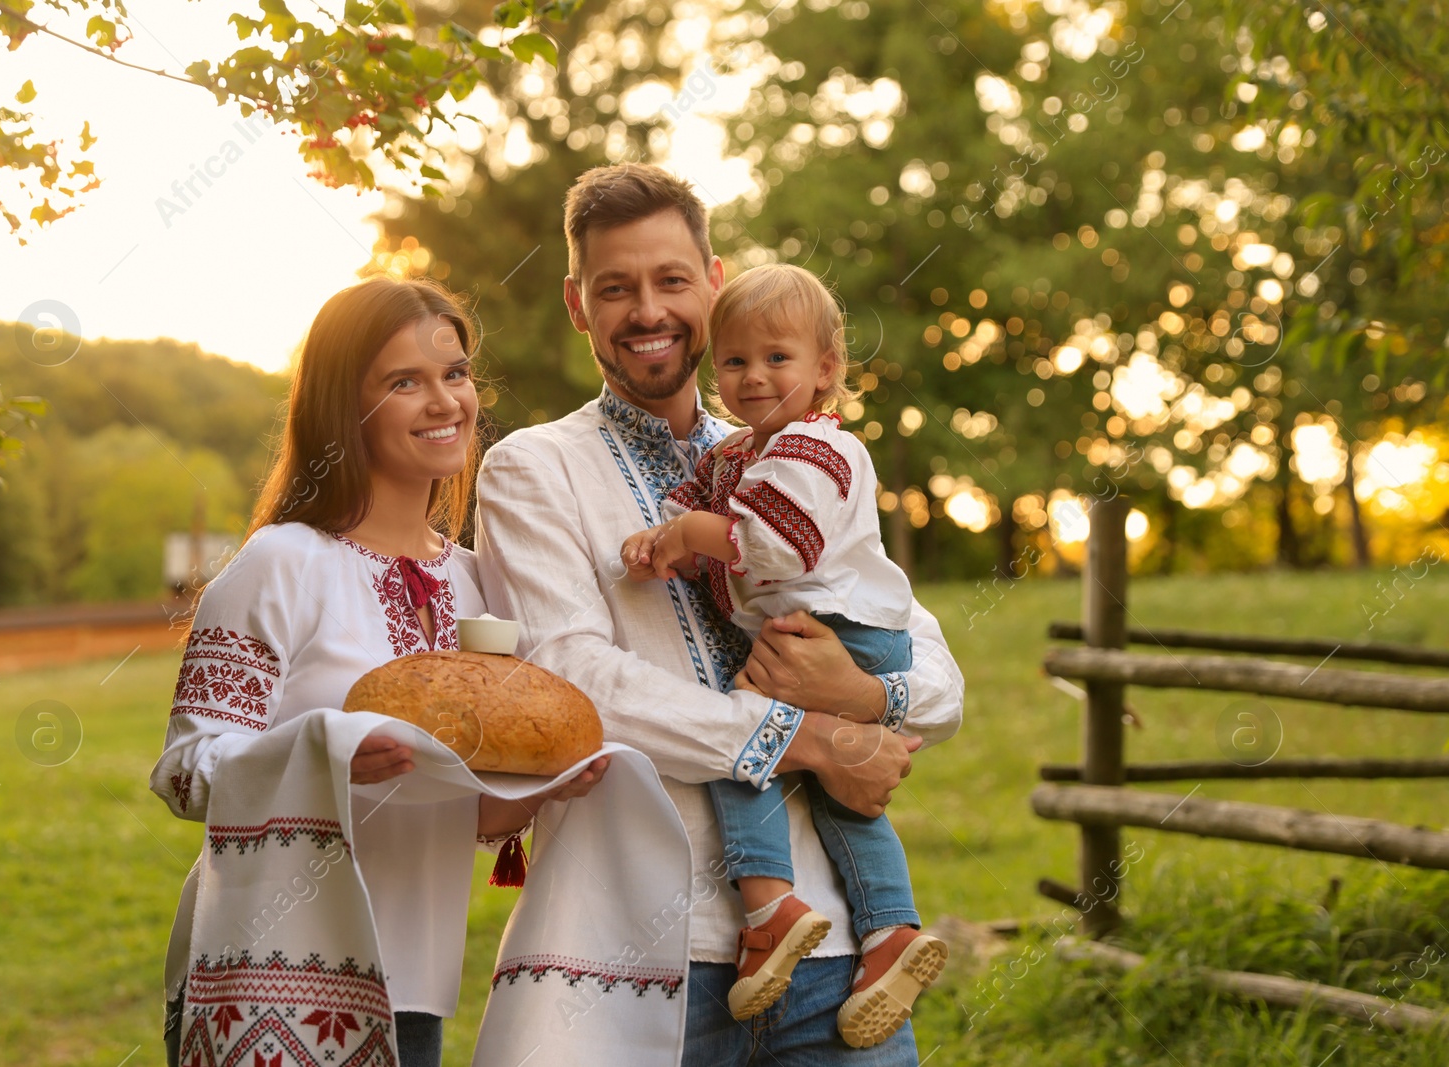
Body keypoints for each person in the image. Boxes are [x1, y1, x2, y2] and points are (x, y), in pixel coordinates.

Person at [474, 162, 964, 1065]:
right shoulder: (533, 469)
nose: (647, 310)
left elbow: (935, 678)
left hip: (835, 952)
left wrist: (857, 696)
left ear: (714, 282)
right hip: (643, 954)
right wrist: (805, 736)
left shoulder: (808, 453)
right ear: (579, 306)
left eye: (670, 280)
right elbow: (576, 683)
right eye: (615, 288)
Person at [148, 276, 609, 1067]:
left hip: (412, 992)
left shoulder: (480, 583)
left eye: (455, 374)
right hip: (265, 980)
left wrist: (534, 790)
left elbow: (457, 813)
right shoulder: (282, 562)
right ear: (343, 407)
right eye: (405, 382)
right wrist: (323, 754)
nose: (445, 401)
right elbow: (186, 770)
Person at [620, 263, 947, 1048]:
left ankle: (769, 907)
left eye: (777, 359)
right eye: (734, 362)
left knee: (746, 747)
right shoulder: (749, 450)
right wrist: (668, 534)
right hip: (826, 628)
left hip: (837, 633)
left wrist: (693, 537)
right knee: (838, 790)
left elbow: (774, 547)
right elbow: (696, 507)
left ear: (826, 370)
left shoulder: (814, 448)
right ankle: (890, 930)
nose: (754, 376)